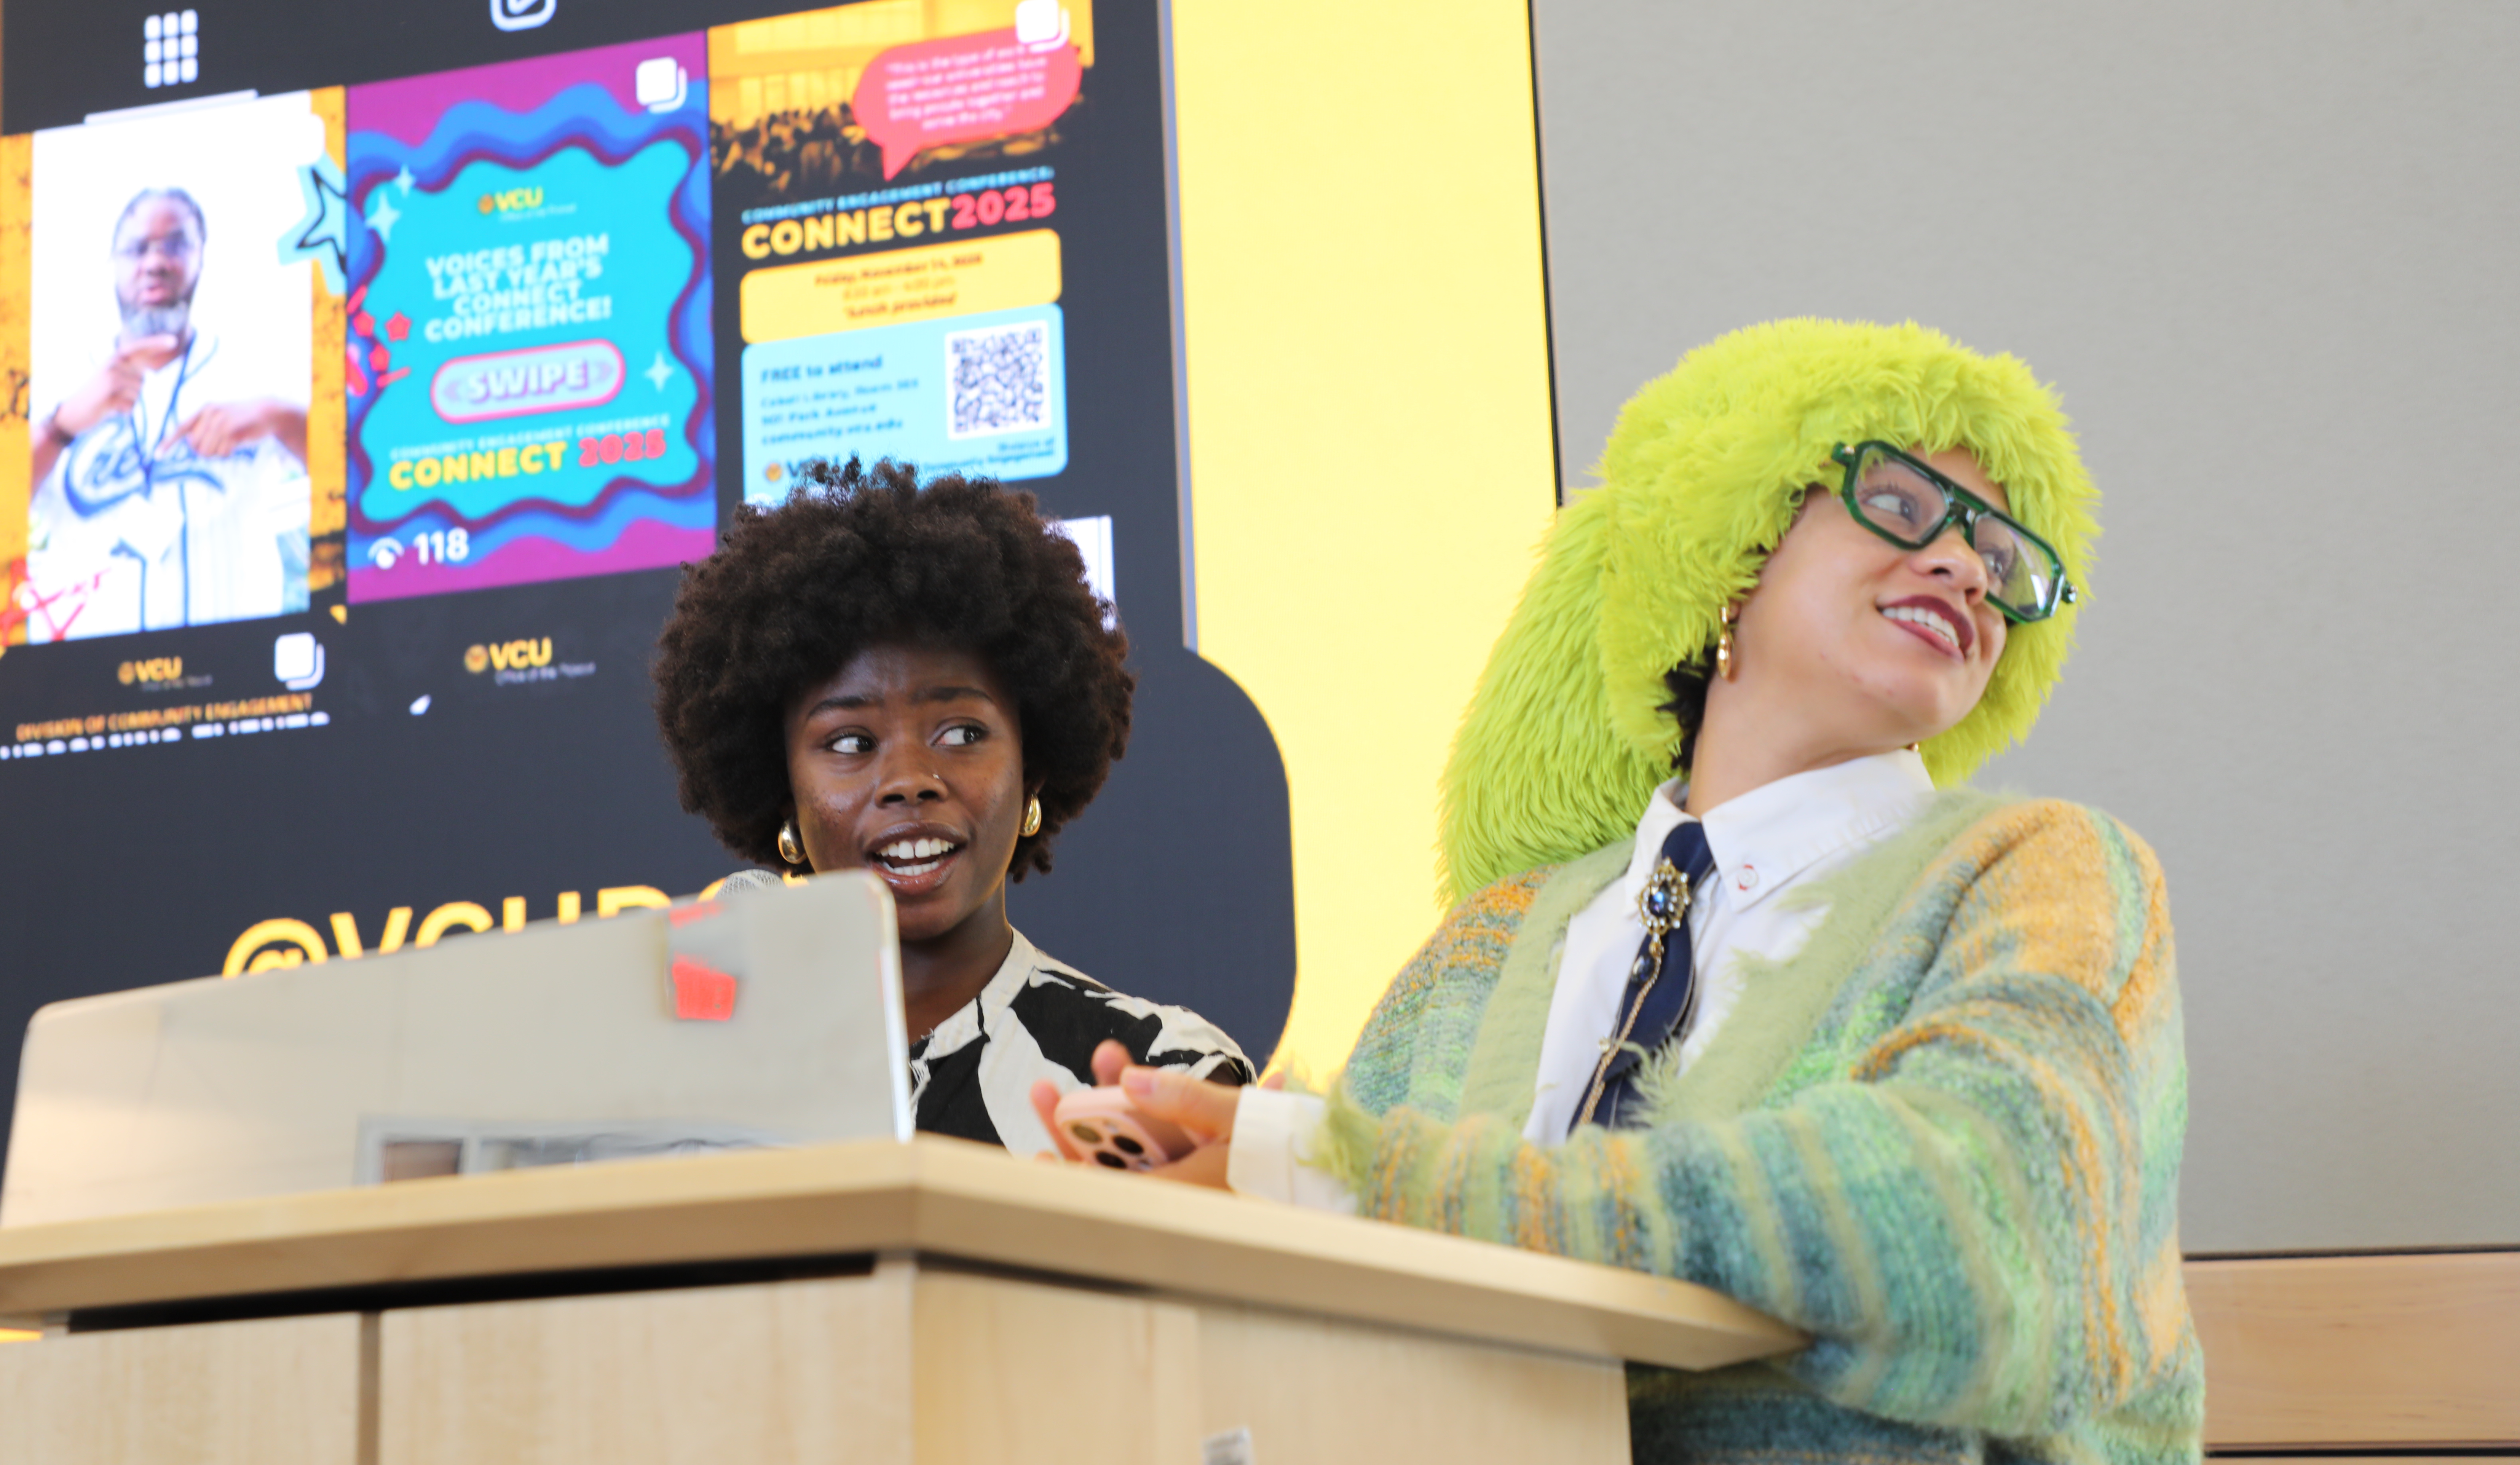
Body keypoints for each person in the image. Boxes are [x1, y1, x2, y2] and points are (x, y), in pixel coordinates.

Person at [1033, 319, 2202, 1464]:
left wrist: (1347, 1173)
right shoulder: (1481, 948)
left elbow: (1989, 1230)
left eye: (2000, 563)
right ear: (1731, 551)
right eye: (1896, 505)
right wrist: (1201, 1210)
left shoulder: (2041, 869)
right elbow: (1349, 1305)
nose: (1962, 564)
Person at [651, 458, 1256, 1155]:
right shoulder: (672, 1091)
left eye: (963, 733)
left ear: (1033, 771)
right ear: (783, 792)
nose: (910, 779)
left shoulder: (1167, 1075)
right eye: (850, 741)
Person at [27, 186, 310, 639]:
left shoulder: (258, 370)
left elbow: (363, 483)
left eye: (176, 244)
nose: (156, 262)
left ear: (202, 256)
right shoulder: (53, 381)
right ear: (113, 263)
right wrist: (59, 427)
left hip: (237, 676)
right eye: (138, 248)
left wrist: (284, 418)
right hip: (82, 686)